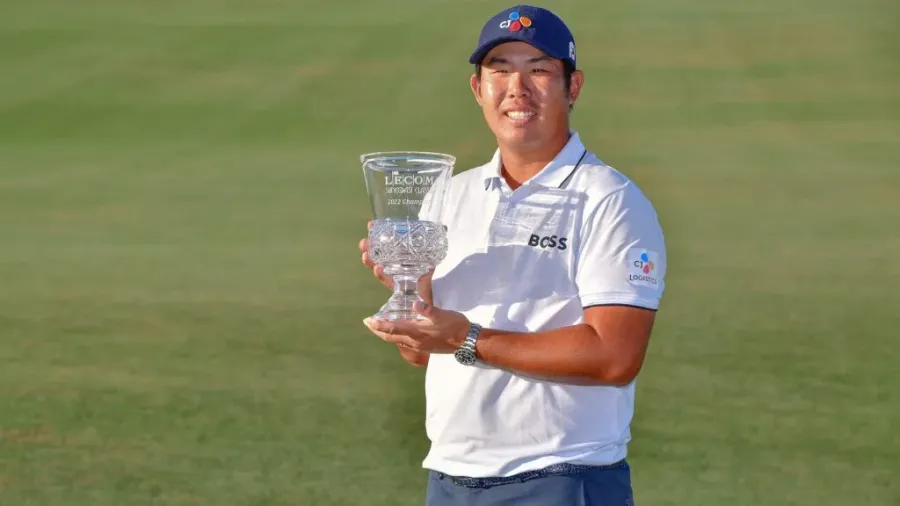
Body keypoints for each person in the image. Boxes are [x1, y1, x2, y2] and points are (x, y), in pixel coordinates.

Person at [359, 5, 667, 505]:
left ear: (573, 87)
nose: (516, 89)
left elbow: (615, 357)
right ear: (477, 89)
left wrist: (466, 338)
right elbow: (419, 353)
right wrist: (409, 291)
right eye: (499, 71)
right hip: (450, 478)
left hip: (562, 477)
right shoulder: (448, 195)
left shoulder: (611, 200)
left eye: (538, 70)